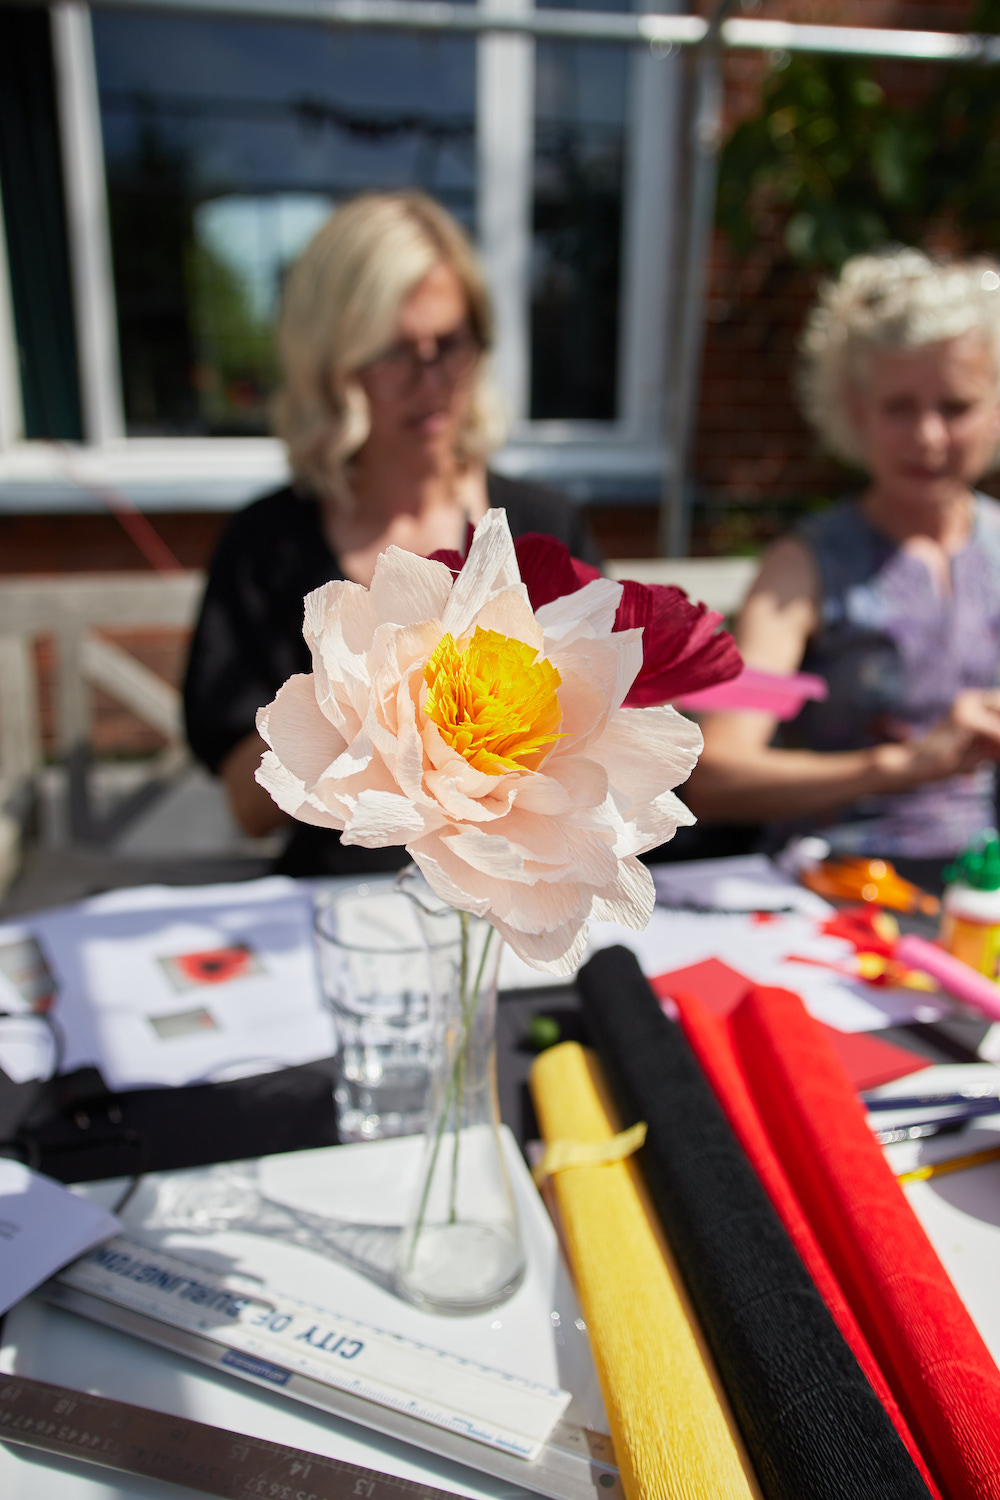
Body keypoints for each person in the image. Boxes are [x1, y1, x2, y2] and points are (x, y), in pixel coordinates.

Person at [183, 191, 598, 876]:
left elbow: (594, 738)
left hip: (512, 882)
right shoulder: (267, 544)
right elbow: (246, 805)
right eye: (397, 354)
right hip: (344, 895)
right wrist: (376, 695)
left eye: (452, 344)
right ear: (331, 363)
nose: (431, 380)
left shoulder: (544, 527)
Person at [685, 248, 1000, 869]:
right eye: (899, 408)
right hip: (838, 885)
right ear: (857, 411)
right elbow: (719, 770)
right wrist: (901, 764)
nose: (928, 436)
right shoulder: (802, 571)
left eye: (955, 407)